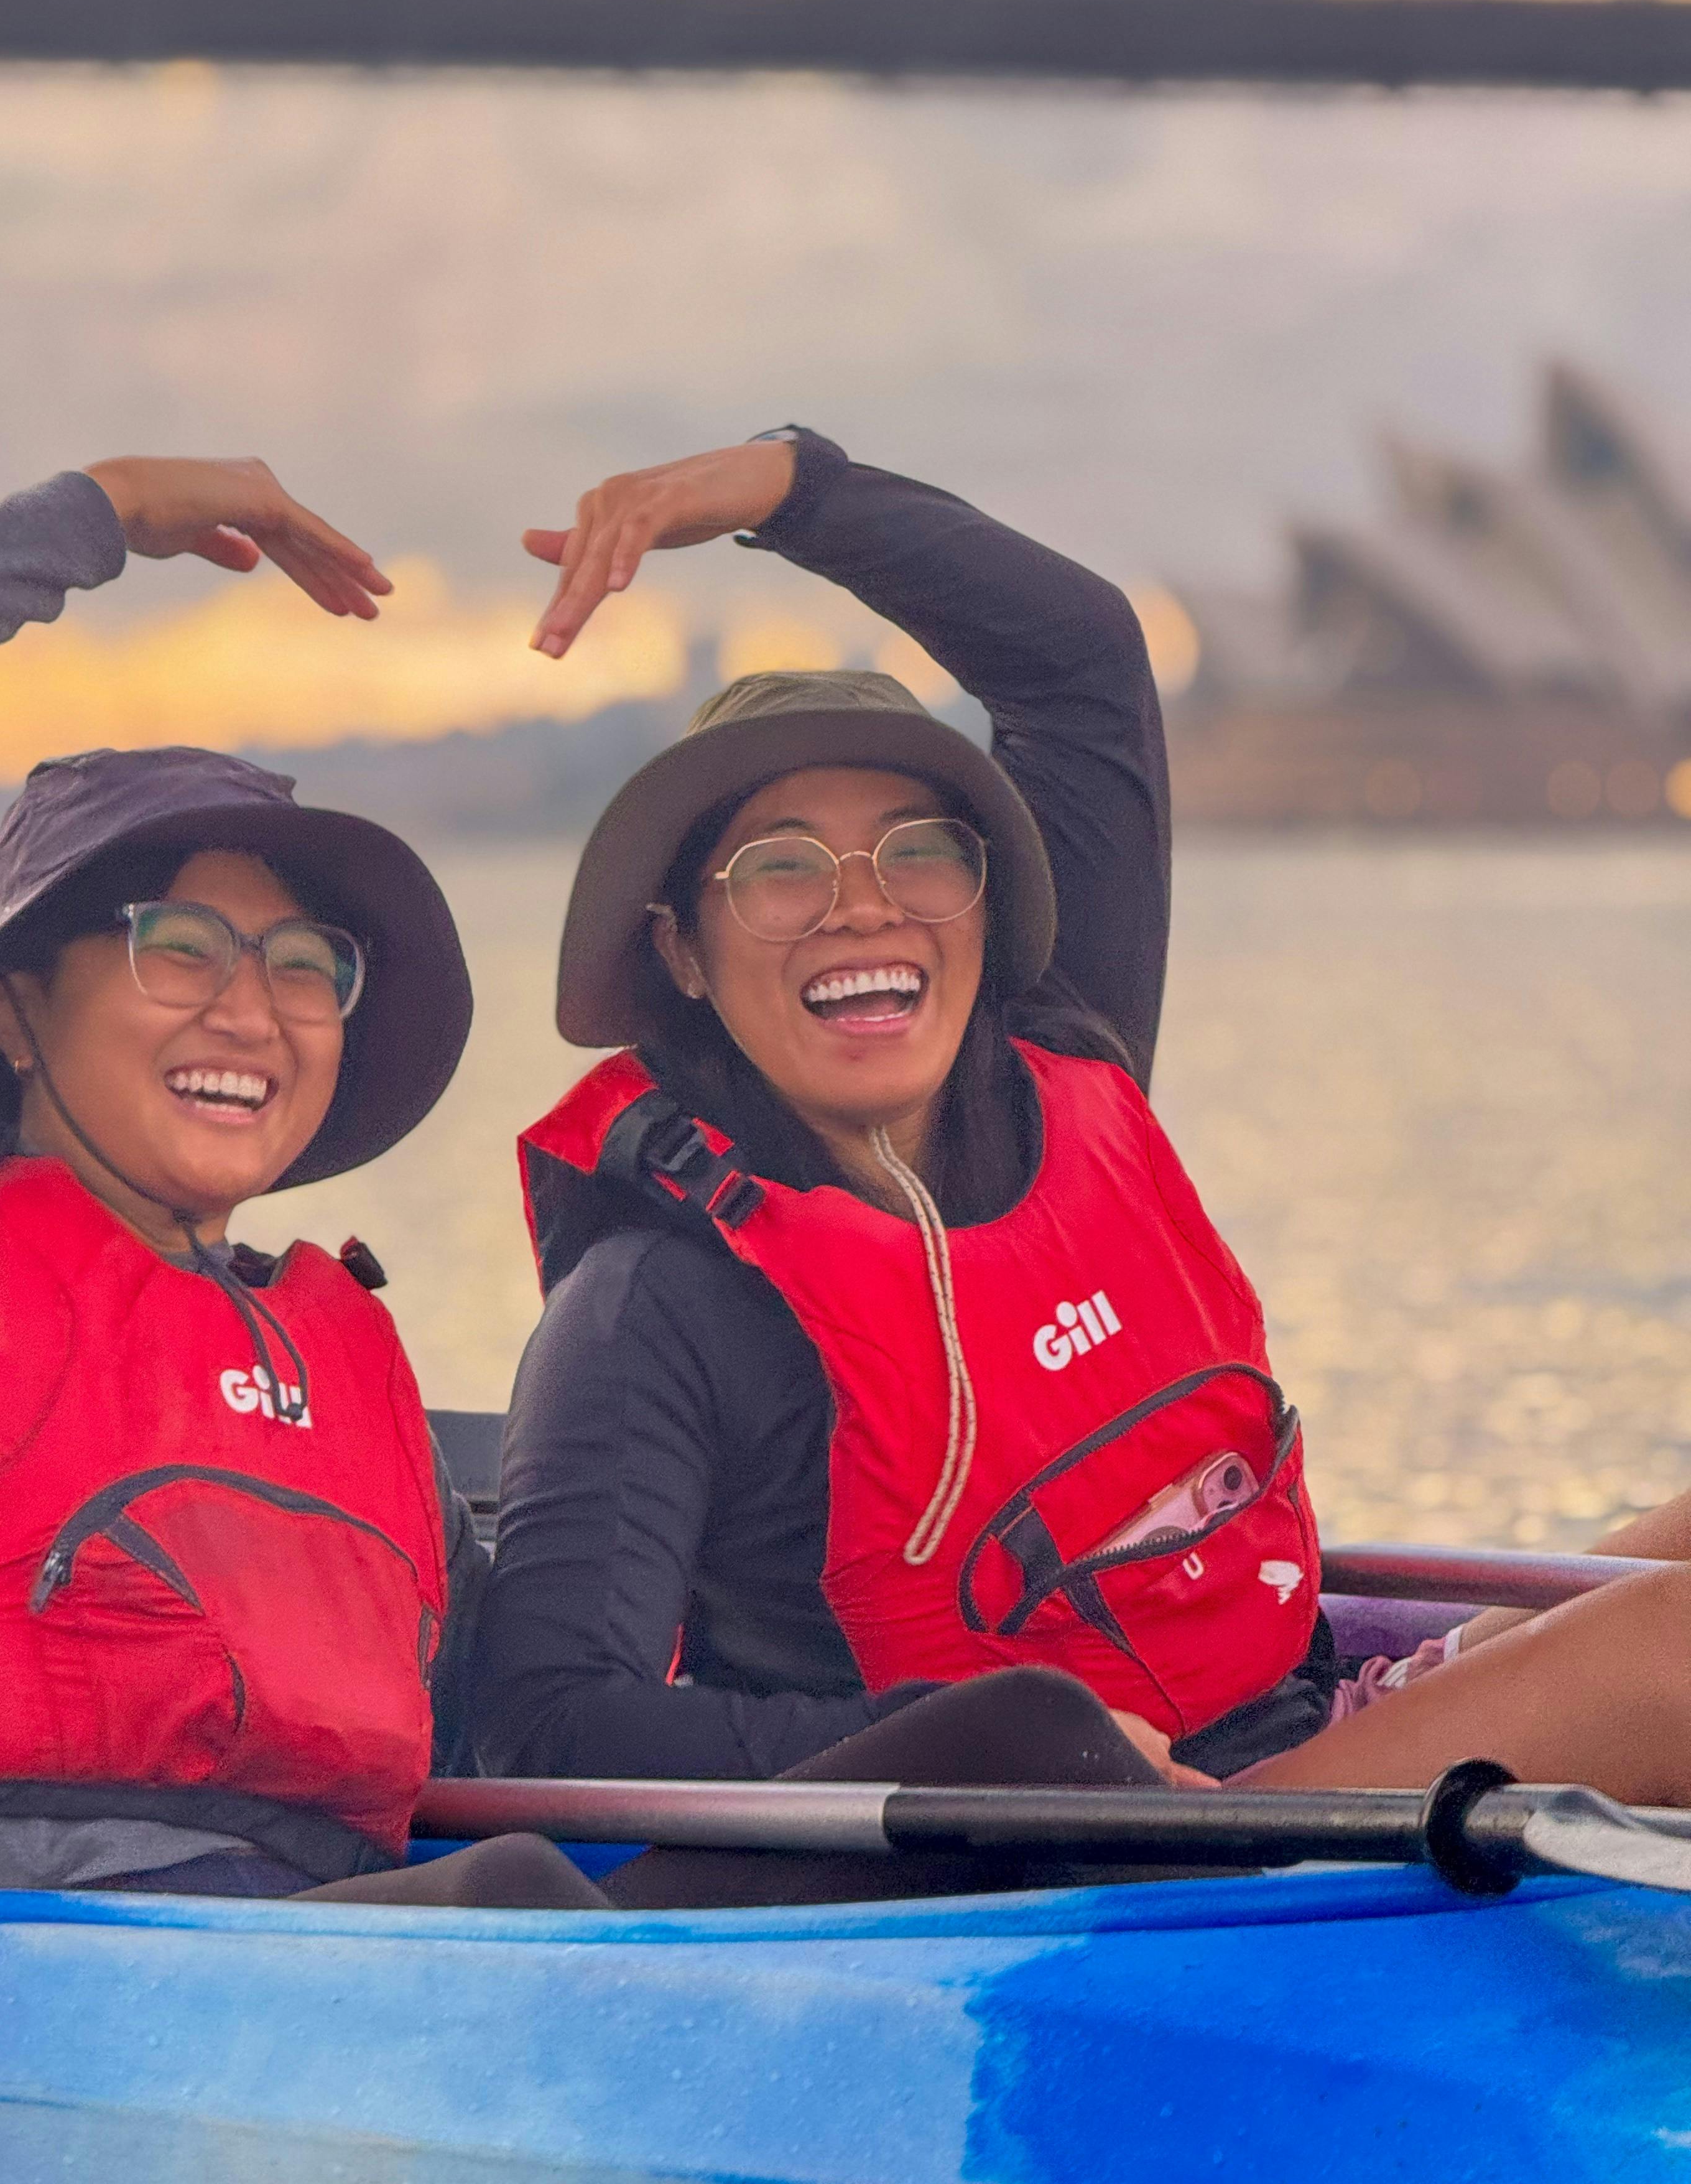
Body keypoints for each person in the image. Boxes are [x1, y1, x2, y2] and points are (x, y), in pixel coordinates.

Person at [473, 428, 1691, 1903]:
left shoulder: (1068, 1063)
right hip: (1128, 1858)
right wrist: (1006, 1758)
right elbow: (546, 1719)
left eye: (920, 854)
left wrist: (794, 489)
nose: (864, 911)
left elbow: (1081, 666)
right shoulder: (652, 1305)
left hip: (1307, 1733)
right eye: (780, 869)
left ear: (983, 909)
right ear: (681, 949)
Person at [0, 453, 601, 1908]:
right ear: (16, 1011)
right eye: (180, 947)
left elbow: (521, 1722)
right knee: (523, 1901)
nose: (251, 1010)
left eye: (305, 966)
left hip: (316, 1986)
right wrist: (97, 515)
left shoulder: (345, 1361)